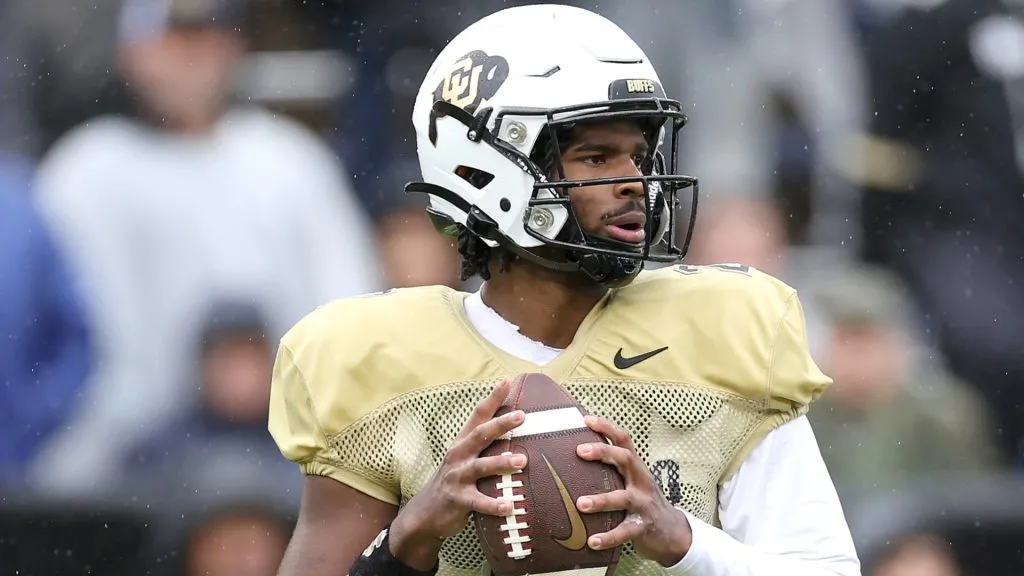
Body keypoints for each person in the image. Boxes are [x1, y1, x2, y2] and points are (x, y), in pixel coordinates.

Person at [268, 5, 860, 575]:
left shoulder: (726, 332)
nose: (634, 182)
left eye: (639, 154)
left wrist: (680, 539)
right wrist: (408, 541)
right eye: (596, 157)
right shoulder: (374, 361)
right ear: (483, 172)